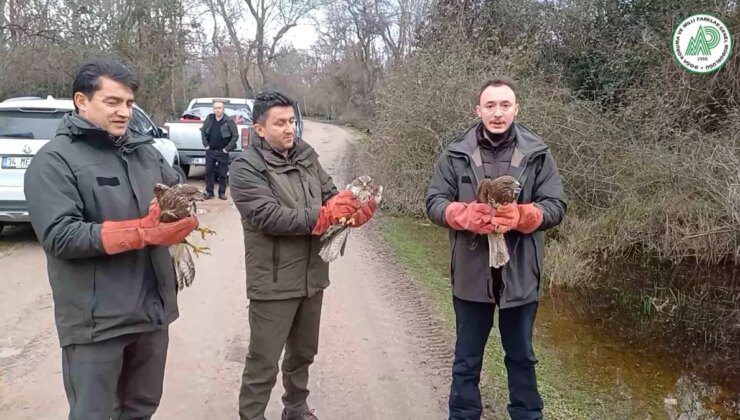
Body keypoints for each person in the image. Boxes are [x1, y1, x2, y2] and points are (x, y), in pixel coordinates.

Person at [24, 58, 198, 419]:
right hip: (96, 323)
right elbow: (60, 235)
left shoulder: (143, 150)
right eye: (112, 102)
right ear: (81, 101)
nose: (124, 112)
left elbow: (176, 188)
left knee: (141, 408)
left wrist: (182, 212)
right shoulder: (54, 161)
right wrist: (140, 231)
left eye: (130, 104)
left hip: (151, 312)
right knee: (93, 413)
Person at [230, 91, 376, 420]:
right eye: (280, 123)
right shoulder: (245, 169)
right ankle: (251, 416)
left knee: (304, 352)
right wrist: (324, 216)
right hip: (274, 280)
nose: (289, 129)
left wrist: (351, 211)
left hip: (312, 275)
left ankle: (295, 408)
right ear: (260, 129)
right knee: (263, 360)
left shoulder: (306, 155)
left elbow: (330, 195)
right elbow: (268, 217)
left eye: (292, 122)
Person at [426, 77, 566, 420]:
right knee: (466, 359)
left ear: (516, 108)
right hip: (471, 276)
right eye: (490, 105)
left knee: (521, 358)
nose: (498, 113)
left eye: (505, 105)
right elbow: (433, 202)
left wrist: (524, 215)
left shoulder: (538, 153)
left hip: (520, 277)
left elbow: (556, 205)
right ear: (478, 110)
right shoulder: (455, 152)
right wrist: (463, 214)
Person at [201, 100, 238, 200]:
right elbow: (203, 131)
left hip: (223, 152)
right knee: (208, 172)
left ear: (223, 109)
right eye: (215, 108)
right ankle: (209, 192)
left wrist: (227, 149)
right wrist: (206, 145)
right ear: (213, 109)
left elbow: (235, 136)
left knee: (223, 174)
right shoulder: (209, 119)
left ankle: (222, 193)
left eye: (219, 108)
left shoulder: (229, 120)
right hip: (211, 151)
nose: (217, 110)